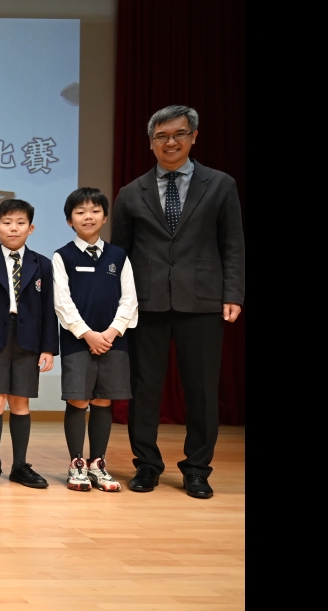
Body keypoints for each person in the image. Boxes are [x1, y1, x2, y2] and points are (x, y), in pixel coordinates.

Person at [111, 105, 245, 499]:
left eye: (179, 134)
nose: (171, 142)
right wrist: (119, 305)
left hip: (203, 301)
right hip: (146, 303)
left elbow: (233, 244)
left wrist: (233, 293)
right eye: (162, 136)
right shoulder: (130, 192)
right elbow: (120, 254)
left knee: (201, 390)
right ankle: (147, 465)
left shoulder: (220, 184)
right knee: (144, 389)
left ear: (193, 137)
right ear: (150, 143)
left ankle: (197, 470)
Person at [0, 199, 58, 490]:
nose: (13, 228)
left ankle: (20, 466)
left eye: (20, 223)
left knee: (20, 401)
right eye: (7, 223)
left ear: (31, 228)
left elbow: (48, 309)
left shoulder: (42, 264)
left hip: (28, 341)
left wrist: (48, 348)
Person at [52, 188, 135, 492]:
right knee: (78, 399)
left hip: (114, 342)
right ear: (69, 221)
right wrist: (87, 334)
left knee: (103, 400)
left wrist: (110, 333)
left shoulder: (119, 256)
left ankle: (97, 464)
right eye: (80, 212)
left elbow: (129, 300)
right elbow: (62, 302)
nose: (88, 217)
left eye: (95, 211)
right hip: (78, 342)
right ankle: (76, 464)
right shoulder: (62, 256)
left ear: (104, 216)